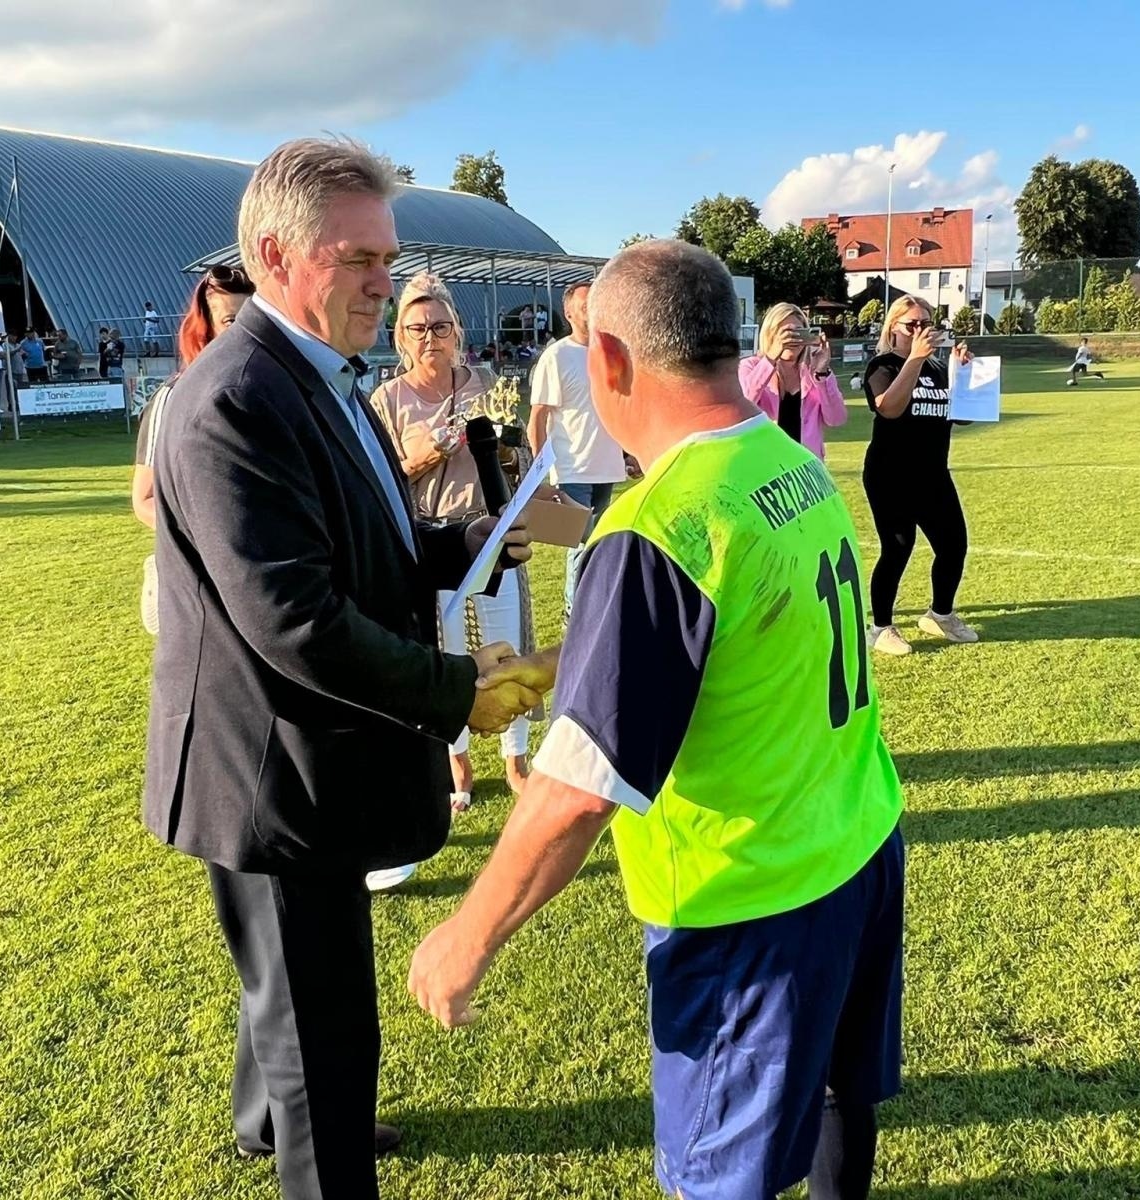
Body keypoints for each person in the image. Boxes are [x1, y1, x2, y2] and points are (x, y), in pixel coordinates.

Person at [408, 240, 907, 1200]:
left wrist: (466, 934)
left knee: (720, 1178)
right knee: (843, 1104)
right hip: (859, 844)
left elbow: (574, 794)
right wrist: (562, 664)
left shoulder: (660, 523)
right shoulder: (784, 460)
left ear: (610, 361)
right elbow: (746, 635)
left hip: (746, 904)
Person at [143, 137, 538, 1200]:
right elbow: (295, 619)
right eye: (359, 260)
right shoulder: (235, 397)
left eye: (388, 258)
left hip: (297, 766)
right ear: (275, 254)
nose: (385, 284)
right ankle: (299, 1138)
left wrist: (473, 544)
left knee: (291, 991)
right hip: (274, 776)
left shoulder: (317, 377)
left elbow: (368, 537)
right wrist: (460, 691)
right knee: (324, 1044)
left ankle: (262, 1124)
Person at [371, 272, 533, 825]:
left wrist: (509, 450)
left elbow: (519, 457)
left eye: (439, 325)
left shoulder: (487, 383)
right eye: (416, 328)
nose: (429, 337)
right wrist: (426, 456)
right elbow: (382, 482)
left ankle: (516, 759)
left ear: (457, 330)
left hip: (491, 531)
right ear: (400, 337)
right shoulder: (387, 399)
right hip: (429, 539)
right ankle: (457, 761)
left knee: (506, 646)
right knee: (445, 655)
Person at [131, 264, 256, 632]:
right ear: (206, 328)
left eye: (251, 316)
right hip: (198, 582)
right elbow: (144, 499)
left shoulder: (272, 398)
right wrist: (218, 535)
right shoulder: (172, 398)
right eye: (231, 321)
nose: (245, 330)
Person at [859, 296, 979, 656]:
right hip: (889, 474)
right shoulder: (882, 367)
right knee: (897, 548)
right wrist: (914, 359)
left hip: (933, 474)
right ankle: (880, 627)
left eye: (926, 324)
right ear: (893, 329)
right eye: (912, 324)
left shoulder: (938, 368)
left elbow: (962, 416)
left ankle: (940, 614)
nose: (921, 330)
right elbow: (890, 409)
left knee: (953, 545)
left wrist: (965, 376)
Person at [529, 280, 627, 619]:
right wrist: (539, 471)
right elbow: (538, 417)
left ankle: (592, 609)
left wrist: (628, 453)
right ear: (569, 312)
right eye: (586, 304)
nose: (593, 309)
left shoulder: (609, 352)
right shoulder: (556, 357)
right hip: (573, 468)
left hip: (607, 467)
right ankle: (575, 616)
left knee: (597, 544)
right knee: (579, 545)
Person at [739, 302, 846, 460]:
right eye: (786, 333)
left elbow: (836, 419)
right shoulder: (750, 367)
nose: (793, 339)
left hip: (806, 470)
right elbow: (744, 404)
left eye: (799, 333)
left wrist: (822, 374)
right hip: (766, 466)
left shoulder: (814, 372)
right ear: (770, 335)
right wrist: (769, 361)